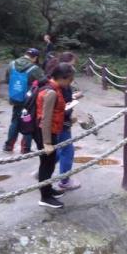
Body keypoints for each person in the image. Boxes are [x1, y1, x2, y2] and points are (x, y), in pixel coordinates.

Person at [35, 62, 75, 209]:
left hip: (53, 130)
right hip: (46, 132)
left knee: (50, 163)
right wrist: (46, 142)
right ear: (62, 78)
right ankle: (45, 197)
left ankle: (48, 189)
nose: (70, 83)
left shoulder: (55, 88)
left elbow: (57, 112)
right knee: (46, 165)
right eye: (69, 80)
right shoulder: (51, 92)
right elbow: (45, 119)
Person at [45, 52, 82, 191]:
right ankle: (64, 181)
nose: (74, 70)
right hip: (60, 123)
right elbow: (54, 110)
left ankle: (44, 171)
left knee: (61, 150)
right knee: (67, 150)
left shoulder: (56, 79)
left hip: (62, 121)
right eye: (72, 65)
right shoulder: (58, 86)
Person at [4, 48, 44, 153]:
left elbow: (7, 80)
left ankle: (8, 146)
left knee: (15, 122)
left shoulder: (12, 64)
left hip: (15, 98)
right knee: (28, 122)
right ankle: (25, 148)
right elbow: (43, 82)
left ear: (25, 54)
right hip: (28, 102)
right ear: (35, 58)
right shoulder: (34, 68)